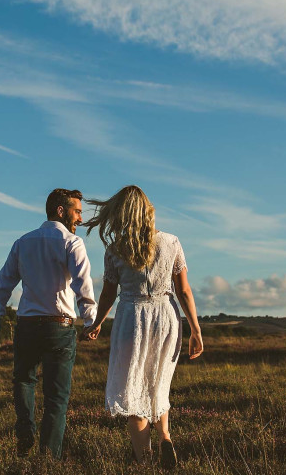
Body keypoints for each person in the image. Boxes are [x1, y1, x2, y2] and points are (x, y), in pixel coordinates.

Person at [83, 185, 203, 468]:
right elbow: (184, 290)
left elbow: (108, 294)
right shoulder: (171, 242)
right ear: (149, 210)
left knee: (132, 387)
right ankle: (164, 436)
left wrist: (97, 322)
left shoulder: (114, 250)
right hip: (166, 316)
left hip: (131, 318)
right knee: (158, 381)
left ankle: (145, 461)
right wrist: (196, 330)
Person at [0, 188, 97, 459]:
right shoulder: (72, 243)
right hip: (59, 326)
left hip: (26, 325)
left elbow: (2, 285)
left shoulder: (23, 242)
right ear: (61, 211)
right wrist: (91, 321)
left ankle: (25, 429)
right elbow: (83, 285)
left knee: (24, 380)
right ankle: (48, 458)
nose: (80, 219)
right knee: (56, 397)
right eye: (77, 211)